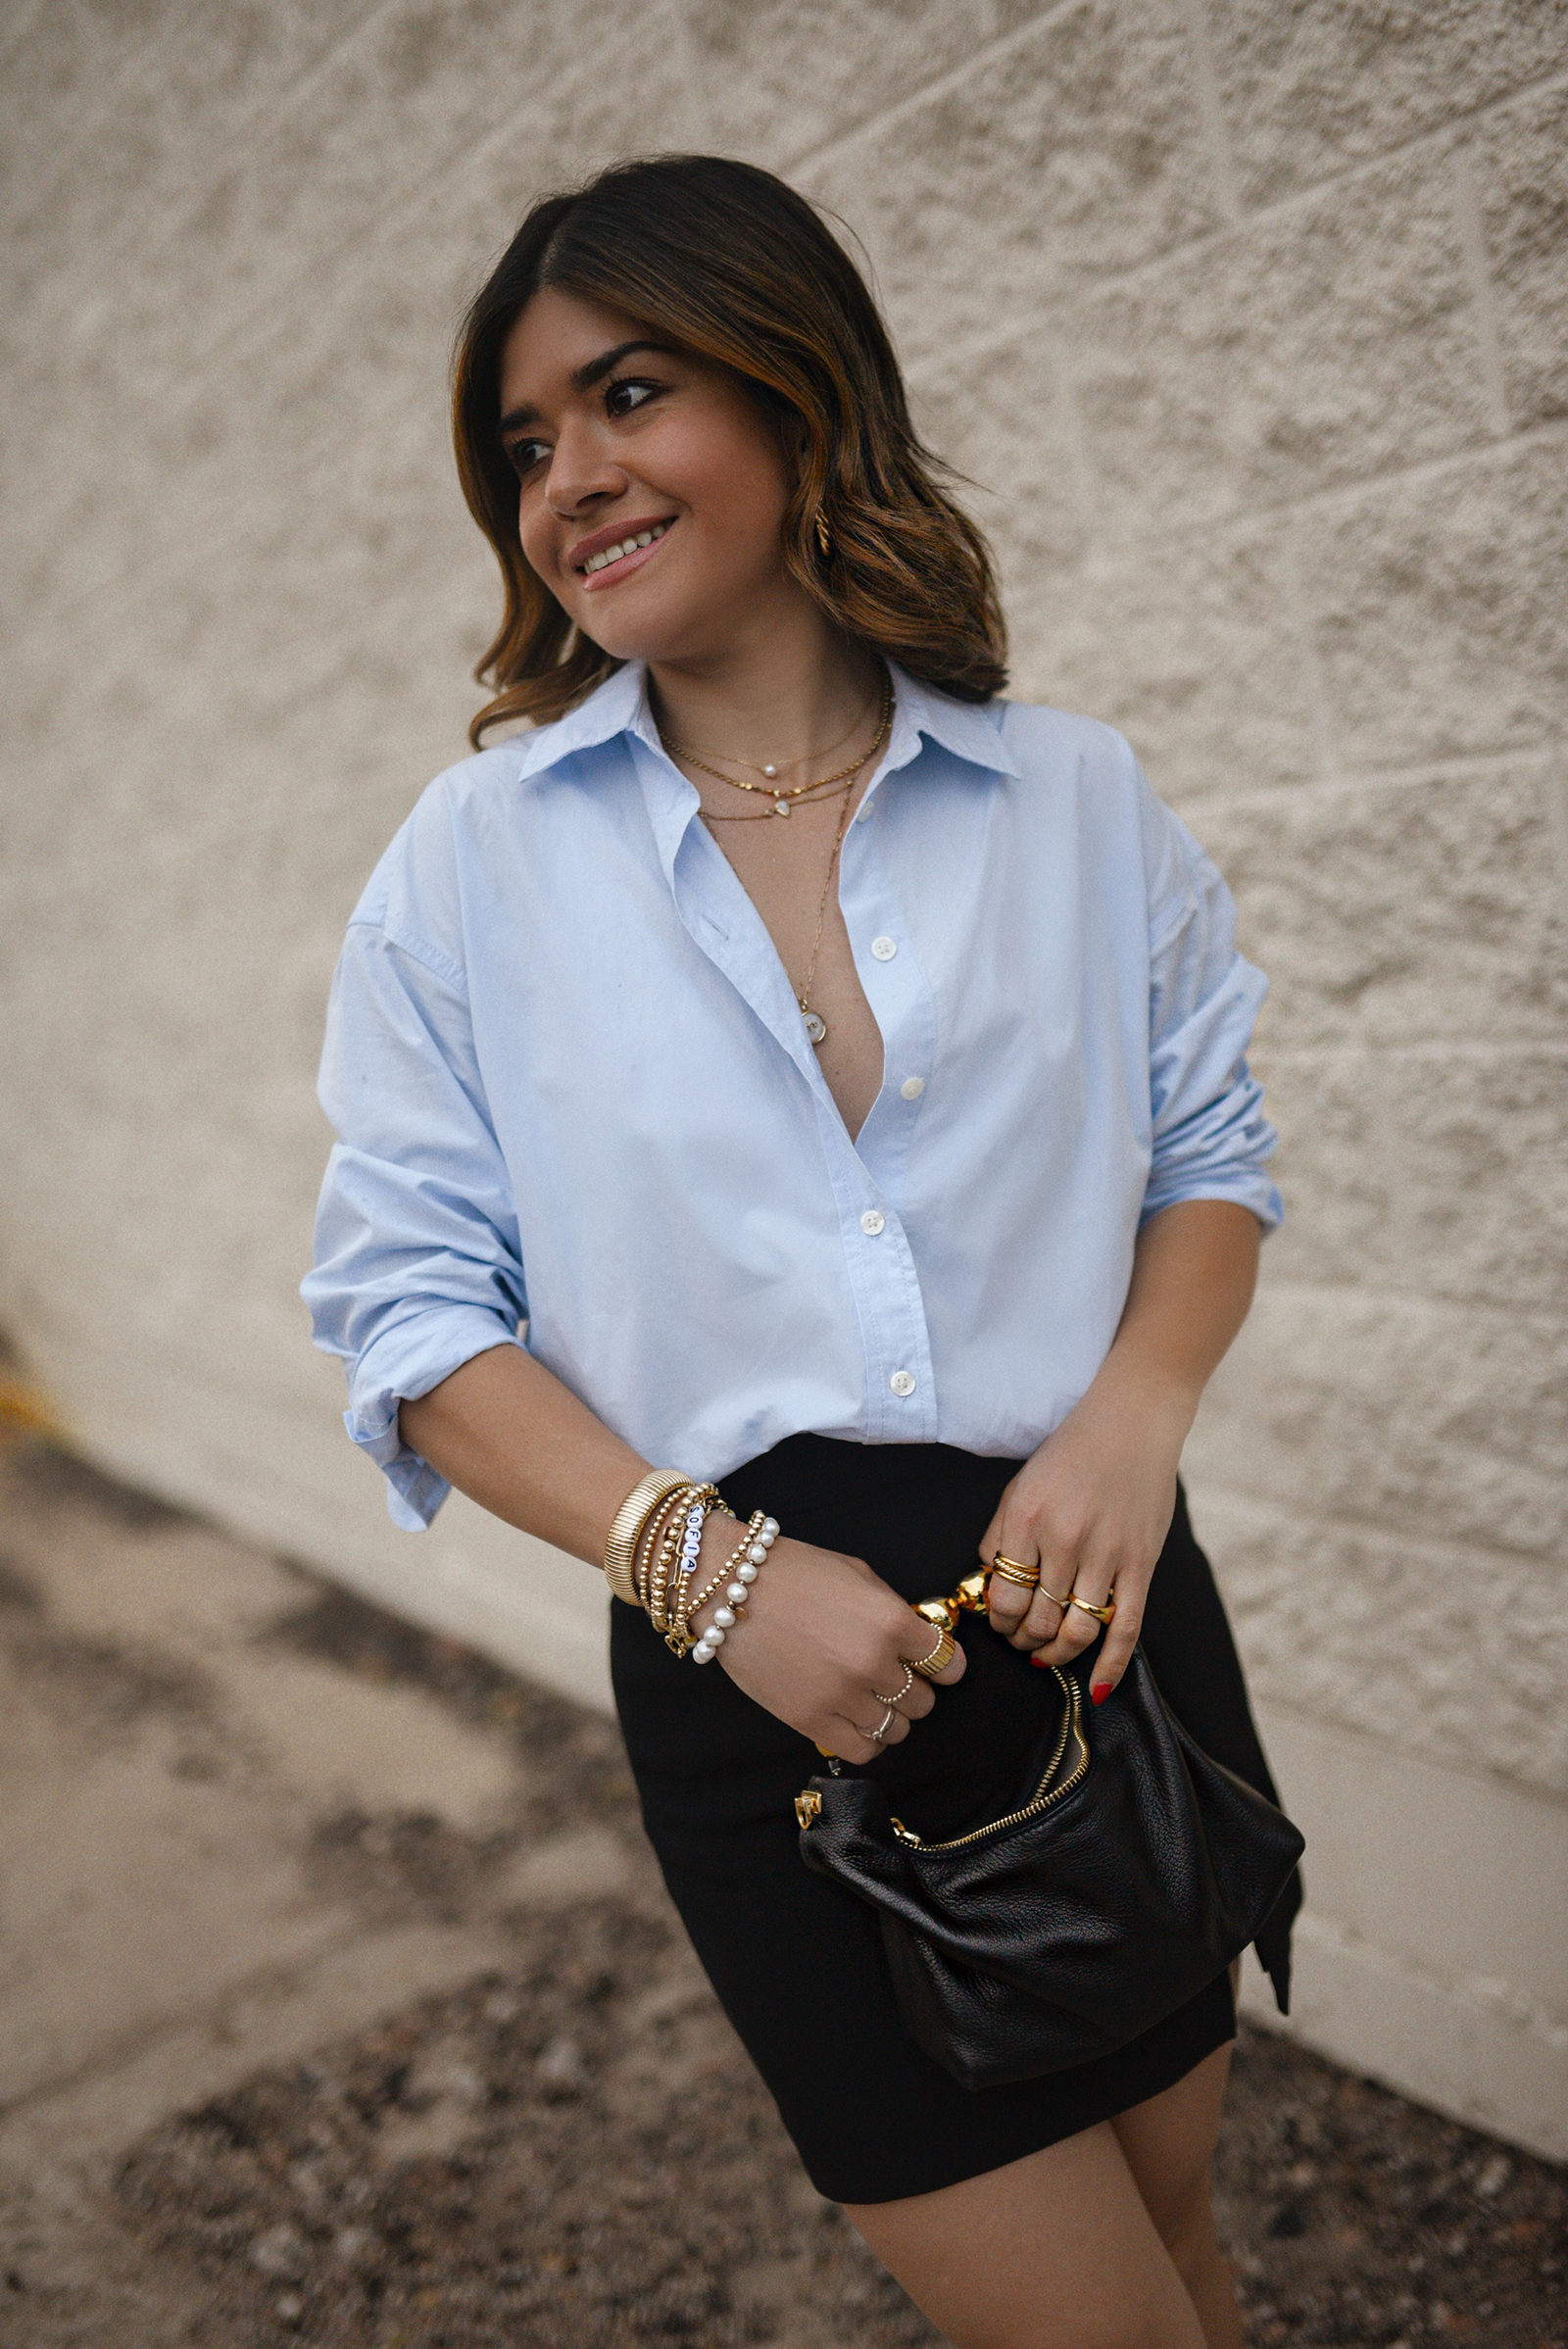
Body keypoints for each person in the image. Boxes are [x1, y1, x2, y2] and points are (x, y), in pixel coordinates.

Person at [303, 154, 1299, 2349]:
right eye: (523, 443)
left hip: (1106, 1616)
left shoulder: (1075, 799)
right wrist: (707, 1569)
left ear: (793, 387)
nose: (568, 479)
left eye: (625, 392)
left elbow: (1209, 1151)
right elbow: (403, 1307)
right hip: (757, 1677)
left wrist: (1135, 1417)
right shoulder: (473, 865)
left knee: (1183, 2242)